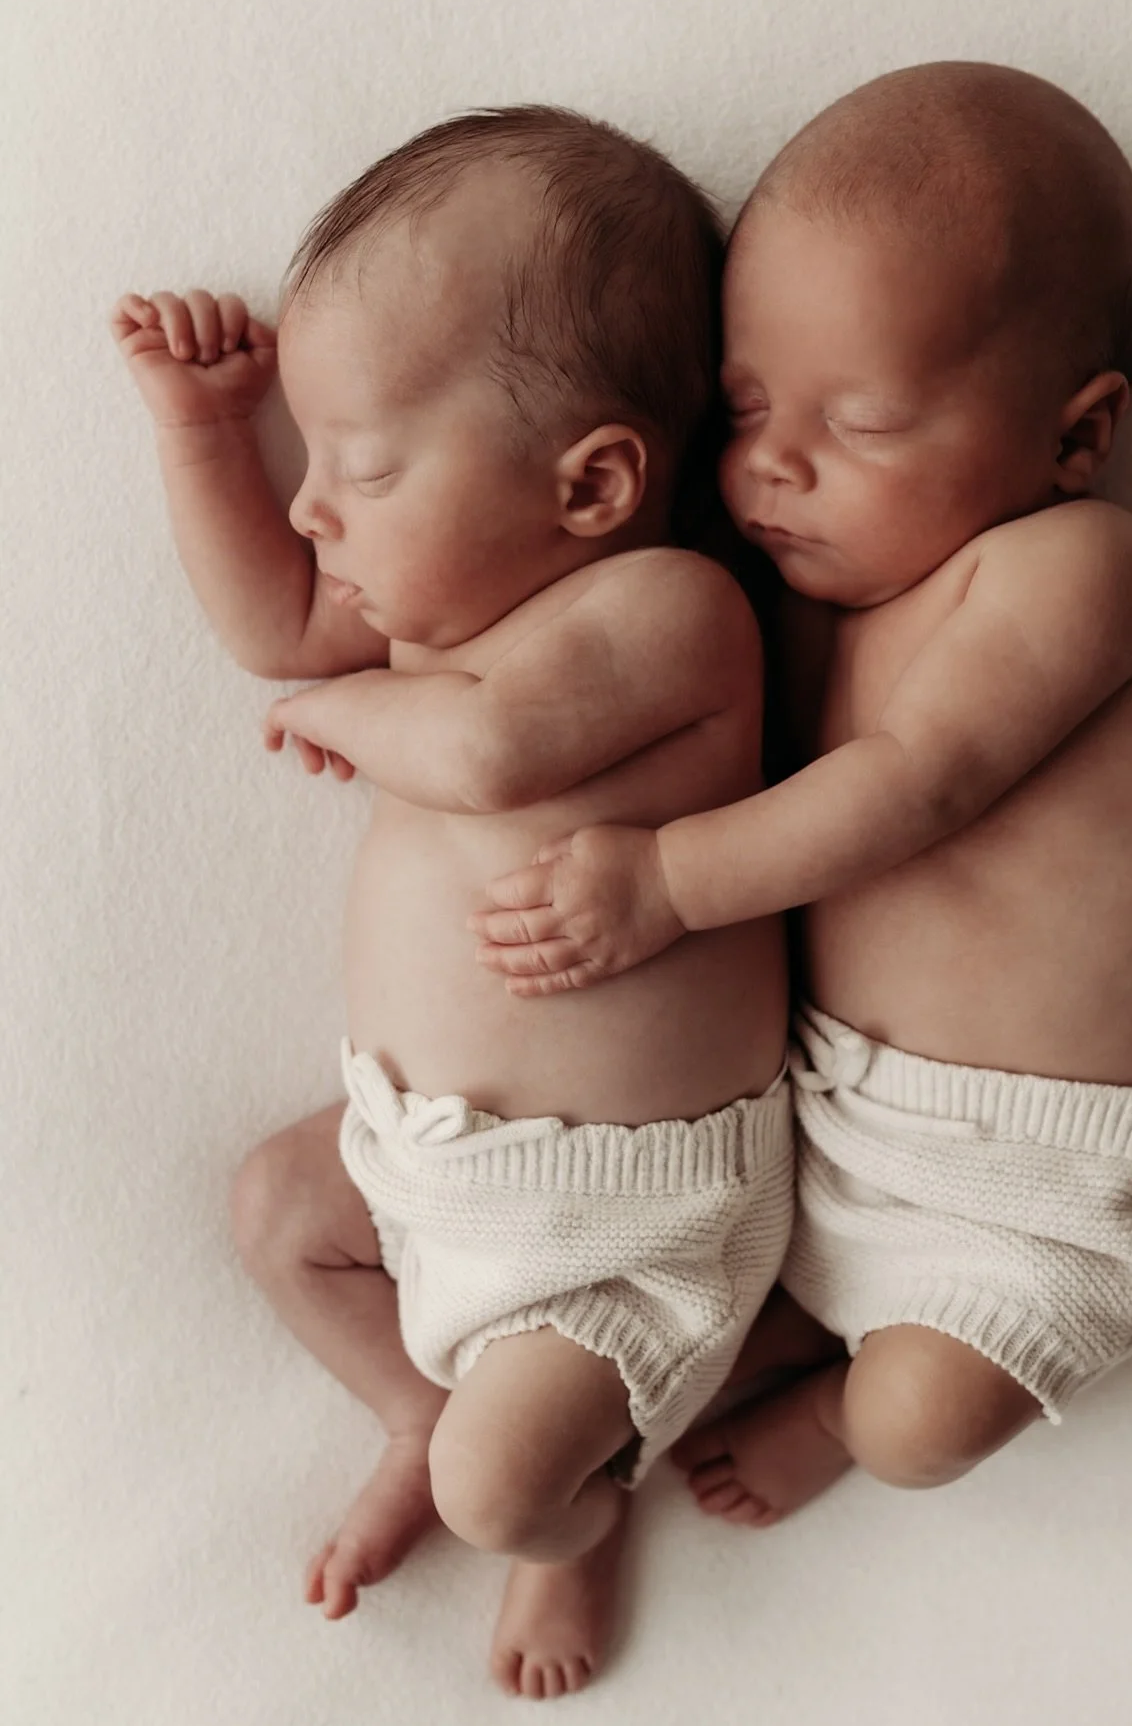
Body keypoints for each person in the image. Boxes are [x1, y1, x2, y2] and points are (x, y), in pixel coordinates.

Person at [471, 63, 1132, 1527]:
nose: (776, 465)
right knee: (629, 1355)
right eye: (751, 405)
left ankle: (833, 1406)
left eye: (866, 422)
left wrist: (665, 884)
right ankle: (586, 1477)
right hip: (832, 1127)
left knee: (920, 1423)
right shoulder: (787, 612)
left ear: (1076, 438)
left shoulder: (1073, 577)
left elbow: (919, 784)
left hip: (1059, 1187)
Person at [110, 106, 791, 1696]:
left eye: (359, 467)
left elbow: (490, 752)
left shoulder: (670, 612)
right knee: (278, 1219)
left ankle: (578, 1511)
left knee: (506, 1493)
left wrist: (346, 718)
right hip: (425, 1173)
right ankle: (419, 1412)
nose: (312, 512)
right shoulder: (426, 630)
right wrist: (204, 432)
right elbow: (279, 629)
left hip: (625, 1220)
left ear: (596, 482)